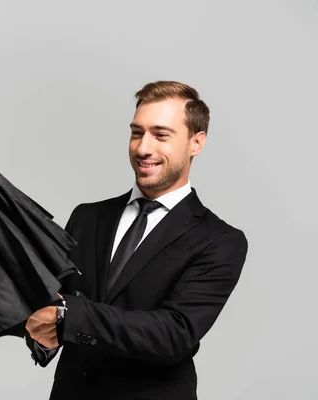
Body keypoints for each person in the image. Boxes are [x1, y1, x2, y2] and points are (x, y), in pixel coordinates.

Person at [24, 81, 248, 400]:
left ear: (196, 142)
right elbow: (54, 303)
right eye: (136, 132)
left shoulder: (220, 241)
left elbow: (173, 334)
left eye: (161, 134)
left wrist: (69, 316)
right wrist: (42, 336)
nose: (143, 148)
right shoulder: (86, 218)